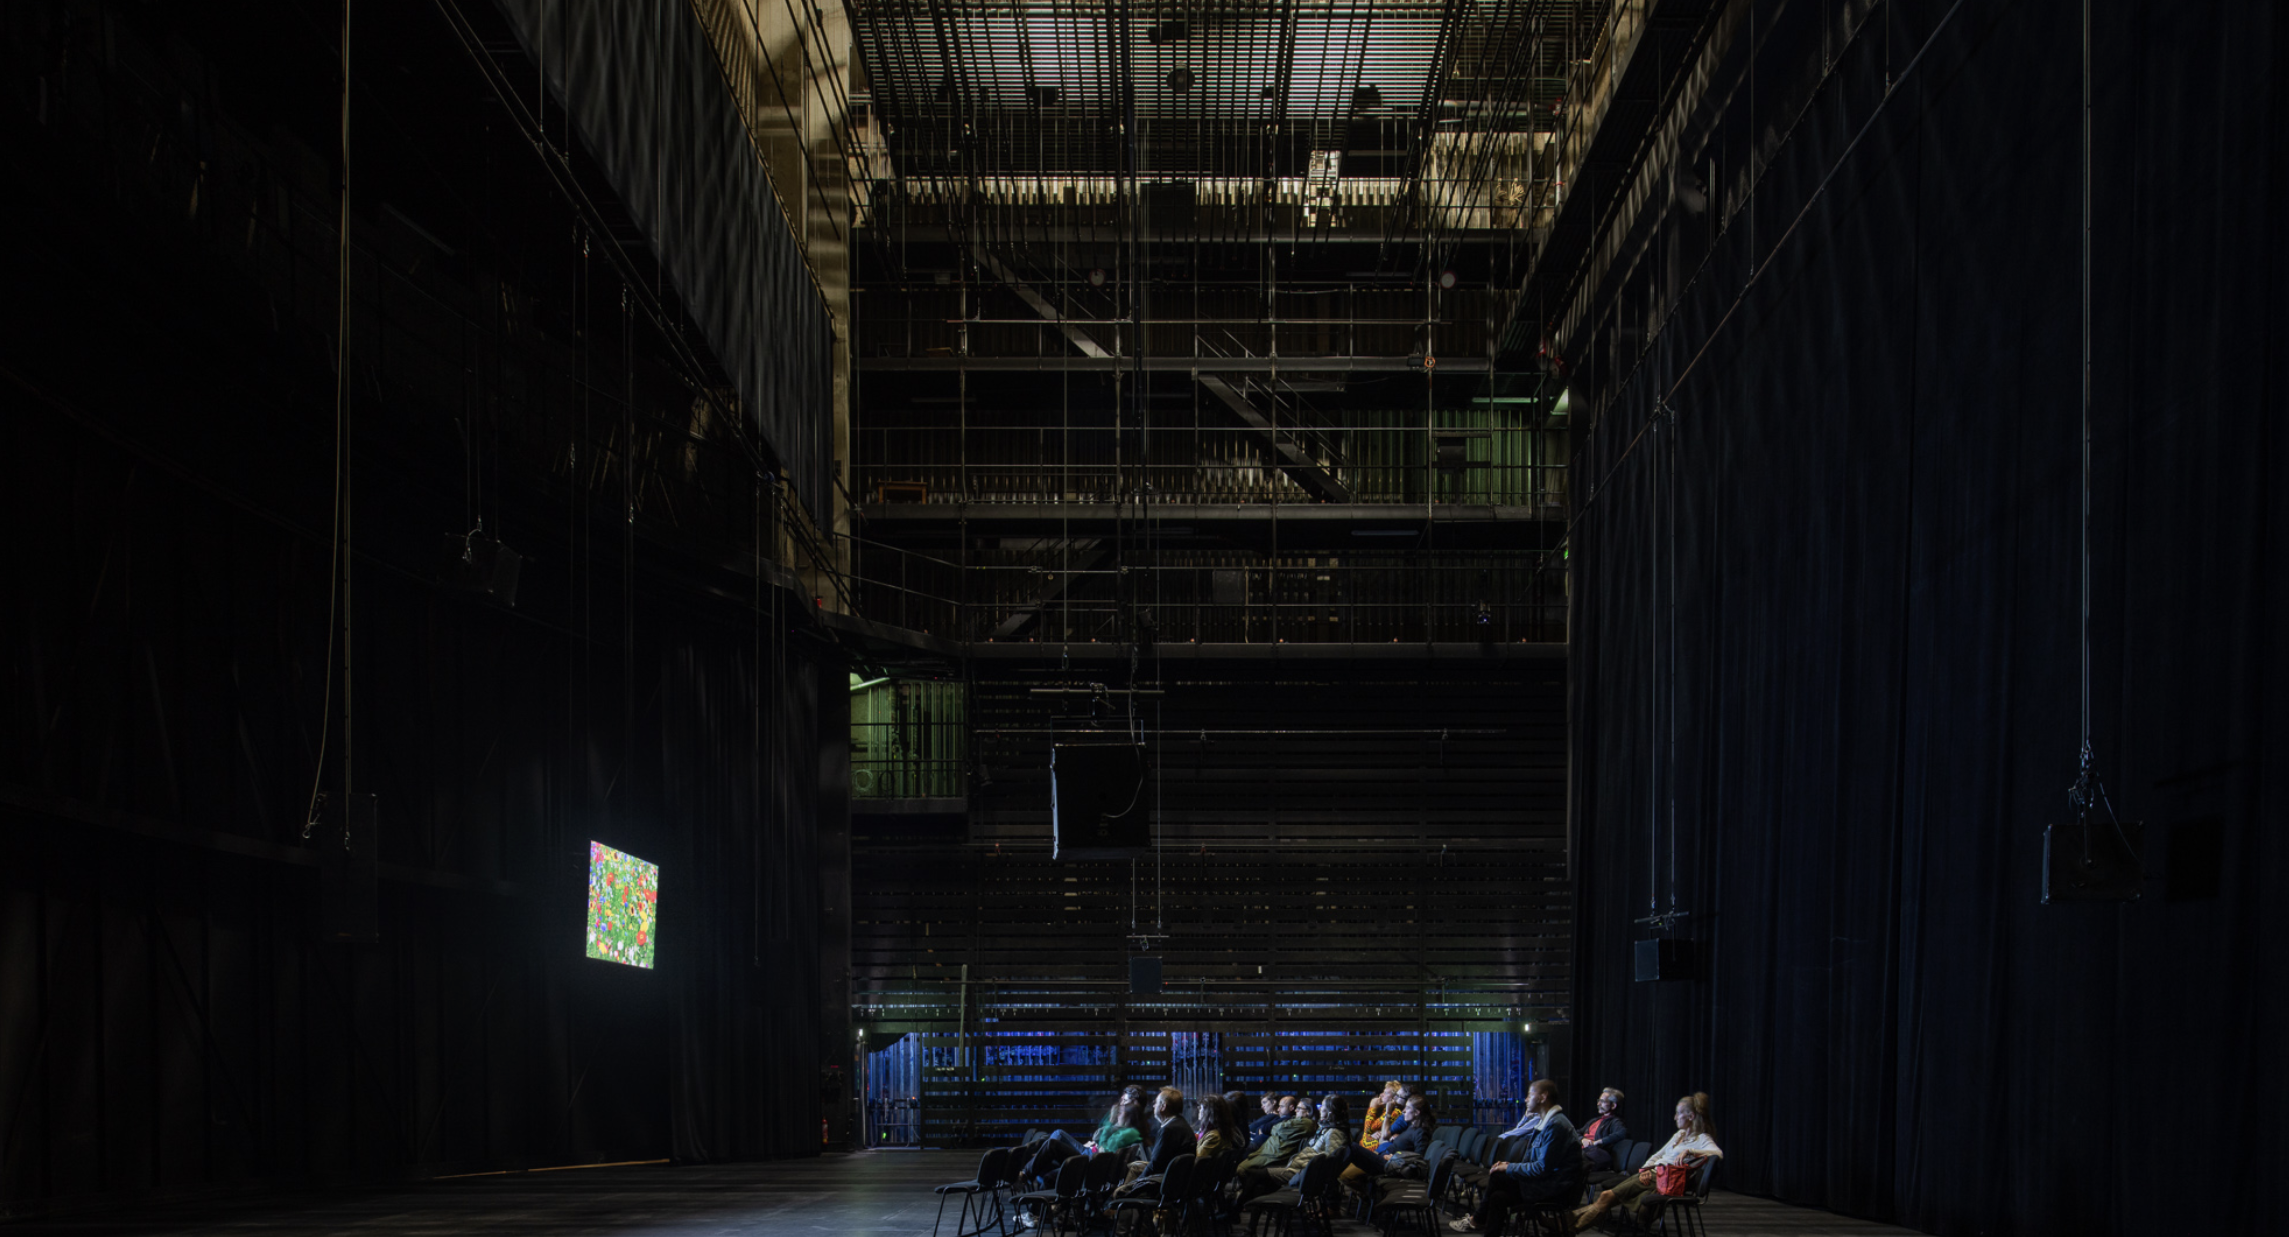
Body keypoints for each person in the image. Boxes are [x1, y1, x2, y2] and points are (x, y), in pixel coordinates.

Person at [1570, 1093, 1720, 1232]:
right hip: (1652, 1174)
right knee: (1606, 1197)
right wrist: (1645, 1170)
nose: (1675, 1117)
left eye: (1678, 1113)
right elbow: (1657, 1155)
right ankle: (1567, 1224)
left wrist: (1691, 1151)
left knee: (1607, 1196)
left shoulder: (1701, 1139)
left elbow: (1717, 1154)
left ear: (1691, 1116)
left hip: (1663, 1178)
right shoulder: (1679, 1135)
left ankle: (1569, 1228)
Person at [1448, 1079, 1581, 1234]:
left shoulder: (1556, 1125)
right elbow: (1534, 1162)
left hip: (1553, 1188)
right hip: (1542, 1183)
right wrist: (1508, 1165)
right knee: (1498, 1197)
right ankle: (1479, 1221)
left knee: (1498, 1176)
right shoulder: (1547, 1122)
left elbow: (1541, 1168)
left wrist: (1509, 1167)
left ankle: (1476, 1220)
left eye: (1530, 1094)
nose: (1526, 1099)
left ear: (1543, 1097)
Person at [1022, 1086, 1152, 1186]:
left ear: (1133, 1106)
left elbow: (1102, 1146)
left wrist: (1111, 1123)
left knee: (1054, 1140)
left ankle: (1026, 1174)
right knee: (1050, 1152)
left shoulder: (1128, 1132)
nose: (1120, 1105)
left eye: (1124, 1102)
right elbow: (1100, 1139)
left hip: (1092, 1162)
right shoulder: (1132, 1128)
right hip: (1094, 1159)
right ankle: (1034, 1169)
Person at [1232, 1094, 1320, 1201]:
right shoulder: (1296, 1121)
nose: (1296, 1110)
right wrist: (1276, 1129)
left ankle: (1246, 1199)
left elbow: (1276, 1129)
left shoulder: (1306, 1123)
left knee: (1242, 1168)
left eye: (1299, 1108)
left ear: (1308, 1111)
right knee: (1244, 1164)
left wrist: (1276, 1129)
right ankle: (1248, 1197)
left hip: (1275, 1154)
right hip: (1270, 1151)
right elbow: (1273, 1128)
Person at [1116, 1087, 1196, 1196]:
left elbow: (1155, 1165)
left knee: (1122, 1191)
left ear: (1163, 1107)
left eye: (1156, 1103)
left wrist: (1135, 1183)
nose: (1153, 1106)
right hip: (1176, 1180)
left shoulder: (1168, 1130)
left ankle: (1122, 1200)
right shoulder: (1181, 1124)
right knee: (1136, 1166)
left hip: (1165, 1184)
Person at [1261, 1094, 1352, 1188]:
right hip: (1300, 1170)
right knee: (1258, 1177)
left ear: (1330, 1111)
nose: (1320, 1108)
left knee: (1257, 1174)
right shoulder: (1326, 1129)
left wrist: (1303, 1172)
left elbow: (1329, 1166)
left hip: (1302, 1173)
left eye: (1323, 1106)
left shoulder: (1334, 1132)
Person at [1577, 1089, 1628, 1182]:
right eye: (1599, 1101)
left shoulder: (1615, 1122)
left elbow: (1622, 1133)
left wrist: (1597, 1142)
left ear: (1613, 1105)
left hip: (1596, 1155)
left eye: (1603, 1101)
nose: (1598, 1104)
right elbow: (1576, 1133)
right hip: (1583, 1151)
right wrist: (1582, 1140)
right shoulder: (1594, 1121)